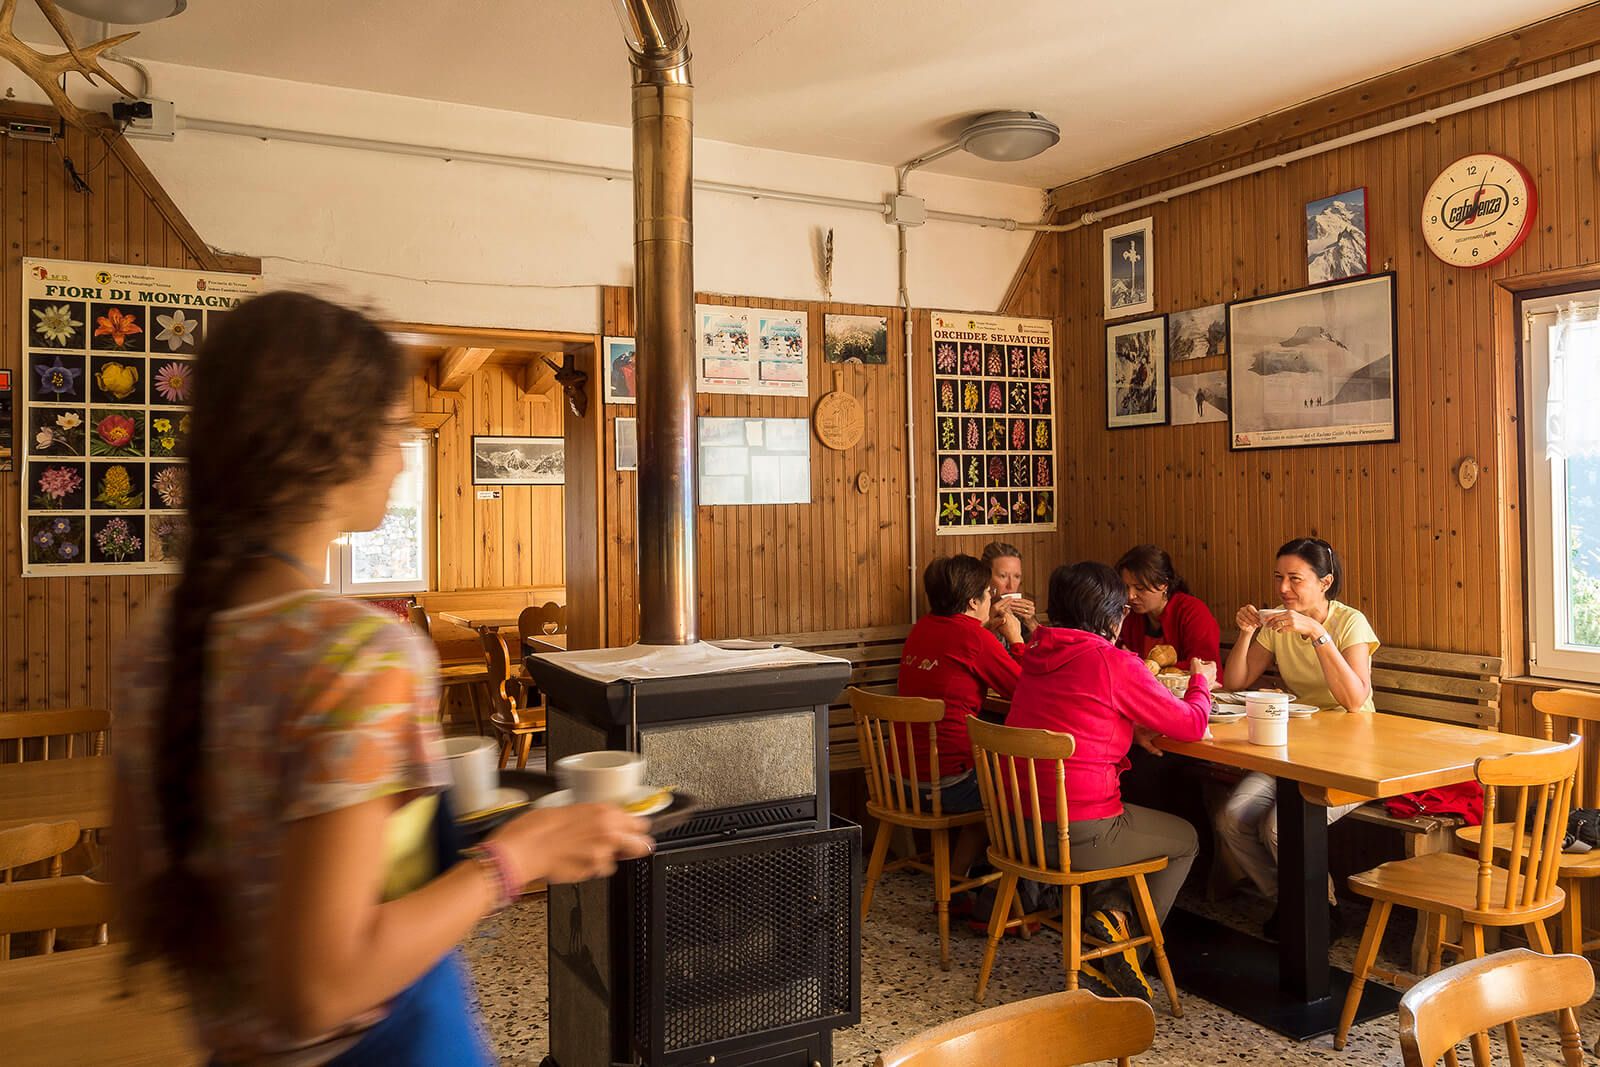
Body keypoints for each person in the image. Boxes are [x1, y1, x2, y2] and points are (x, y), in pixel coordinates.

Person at [114, 292, 653, 1066]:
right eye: (396, 429)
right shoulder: (357, 652)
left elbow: (140, 902)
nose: (402, 457)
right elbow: (322, 987)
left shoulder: (156, 642)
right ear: (334, 444)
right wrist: (519, 855)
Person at [1005, 561, 1214, 1002]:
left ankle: (1111, 916)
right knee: (1186, 838)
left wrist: (1130, 729)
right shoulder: (1112, 661)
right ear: (1112, 616)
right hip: (1077, 834)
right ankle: (1124, 948)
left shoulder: (1037, 652)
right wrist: (1201, 682)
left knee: (1128, 822)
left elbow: (1073, 713)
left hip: (1017, 830)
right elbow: (1192, 724)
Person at [1217, 536, 1379, 936]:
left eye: (1295, 579)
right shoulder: (1278, 624)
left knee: (1279, 826)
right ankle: (1293, 902)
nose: (1283, 588)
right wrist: (1246, 632)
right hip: (1296, 749)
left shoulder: (1350, 622)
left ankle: (1321, 909)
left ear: (1325, 582)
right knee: (1232, 818)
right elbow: (1235, 682)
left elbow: (1354, 700)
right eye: (1278, 578)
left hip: (1354, 755)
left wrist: (1317, 634)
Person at [897, 555, 1024, 877]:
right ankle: (967, 882)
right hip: (946, 785)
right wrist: (1016, 640)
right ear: (973, 601)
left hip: (898, 780)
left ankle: (956, 879)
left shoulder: (922, 627)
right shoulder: (974, 638)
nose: (991, 598)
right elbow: (1025, 692)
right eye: (989, 592)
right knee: (1018, 788)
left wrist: (984, 632)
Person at [1115, 544, 1220, 669]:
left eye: (1140, 588)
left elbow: (1206, 664)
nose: (1130, 596)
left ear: (1164, 584)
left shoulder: (1193, 612)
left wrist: (1141, 667)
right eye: (1126, 587)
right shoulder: (1129, 614)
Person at [981, 541, 1039, 640]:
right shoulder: (975, 611)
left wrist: (1031, 623)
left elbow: (1043, 647)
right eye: (1003, 576)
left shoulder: (1020, 615)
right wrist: (989, 624)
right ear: (986, 577)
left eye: (1017, 576)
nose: (1011, 586)